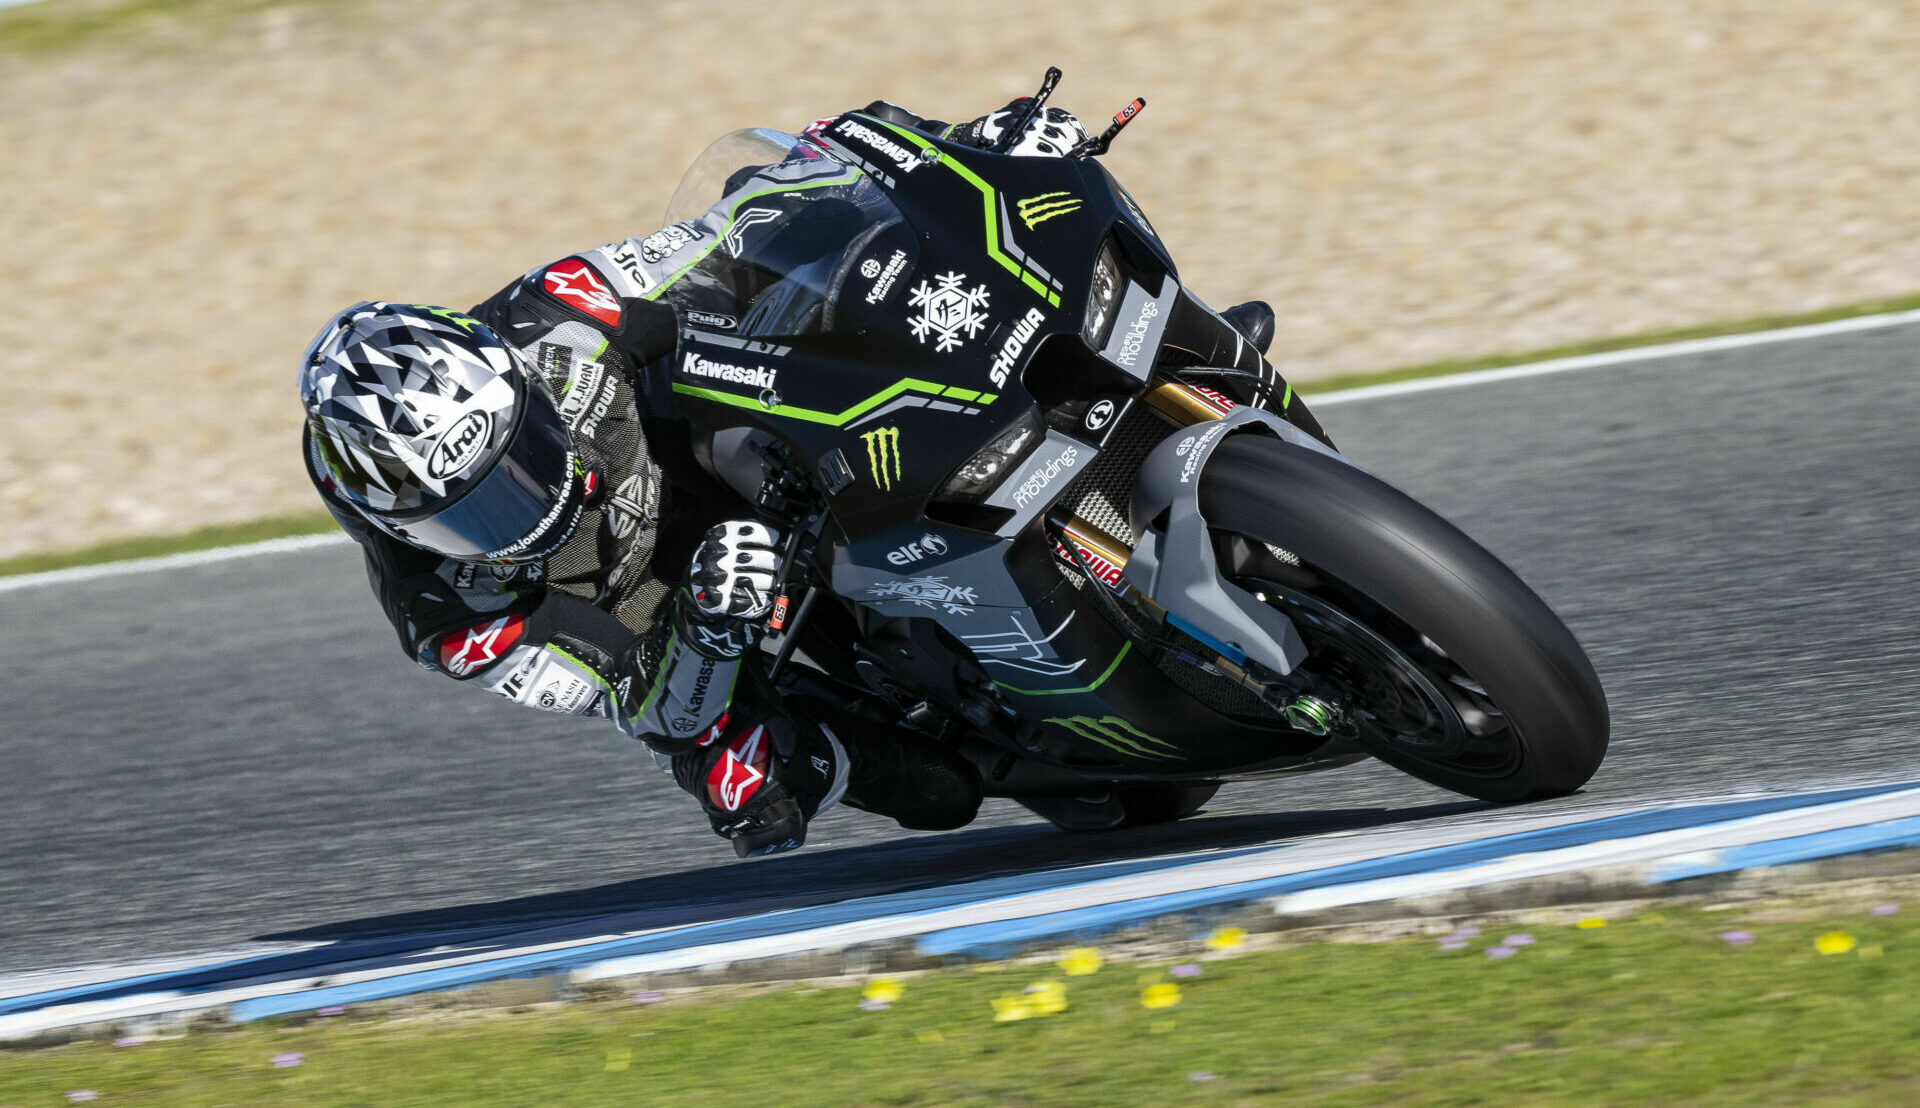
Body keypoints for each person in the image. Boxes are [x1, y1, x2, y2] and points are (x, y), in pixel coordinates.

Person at [299, 97, 1276, 857]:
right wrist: (709, 628)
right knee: (813, 780)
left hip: (728, 453)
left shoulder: (555, 312)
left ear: (509, 377)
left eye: (518, 452)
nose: (527, 490)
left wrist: (959, 152)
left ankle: (1179, 387)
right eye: (477, 505)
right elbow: (633, 691)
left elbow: (745, 226)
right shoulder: (448, 618)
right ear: (392, 521)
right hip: (663, 606)